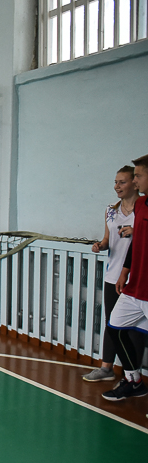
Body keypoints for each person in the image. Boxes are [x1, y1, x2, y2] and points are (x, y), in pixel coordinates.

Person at [83, 166, 144, 382]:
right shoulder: (111, 210)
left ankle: (131, 375)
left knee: (135, 328)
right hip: (114, 275)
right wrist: (100, 245)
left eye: (122, 182)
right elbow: (108, 239)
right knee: (112, 323)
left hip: (136, 277)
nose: (117, 186)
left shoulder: (143, 209)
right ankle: (106, 368)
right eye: (115, 182)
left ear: (134, 184)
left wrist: (136, 231)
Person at [104, 154, 148, 410]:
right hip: (135, 287)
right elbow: (137, 242)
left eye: (139, 176)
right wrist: (125, 271)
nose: (136, 180)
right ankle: (134, 381)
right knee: (115, 327)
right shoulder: (141, 204)